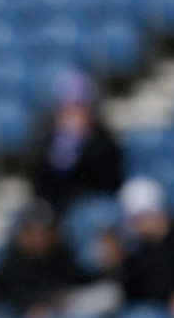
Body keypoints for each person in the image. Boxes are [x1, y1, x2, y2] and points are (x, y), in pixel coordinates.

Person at [30, 69, 123, 216]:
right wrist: (60, 153)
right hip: (58, 208)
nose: (73, 116)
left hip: (93, 207)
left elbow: (109, 180)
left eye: (78, 109)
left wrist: (82, 149)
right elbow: (39, 185)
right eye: (67, 110)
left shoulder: (104, 141)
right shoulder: (47, 141)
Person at [0, 199, 89, 318]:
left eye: (47, 231)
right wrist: (33, 305)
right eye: (36, 231)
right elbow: (4, 296)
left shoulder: (61, 256)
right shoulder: (13, 262)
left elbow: (76, 283)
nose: (42, 236)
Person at [107, 177, 174, 318]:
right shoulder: (138, 250)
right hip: (156, 313)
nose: (138, 225)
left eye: (141, 218)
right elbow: (134, 293)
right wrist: (117, 267)